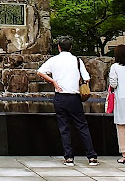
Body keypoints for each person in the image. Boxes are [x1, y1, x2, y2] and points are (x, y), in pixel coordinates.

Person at [37, 36, 99, 166]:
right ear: (71, 47)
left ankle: (69, 157)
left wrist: (53, 82)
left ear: (59, 47)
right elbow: (86, 78)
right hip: (74, 97)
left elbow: (40, 72)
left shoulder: (54, 60)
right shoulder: (77, 60)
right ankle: (91, 156)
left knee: (64, 127)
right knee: (82, 126)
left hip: (60, 96)